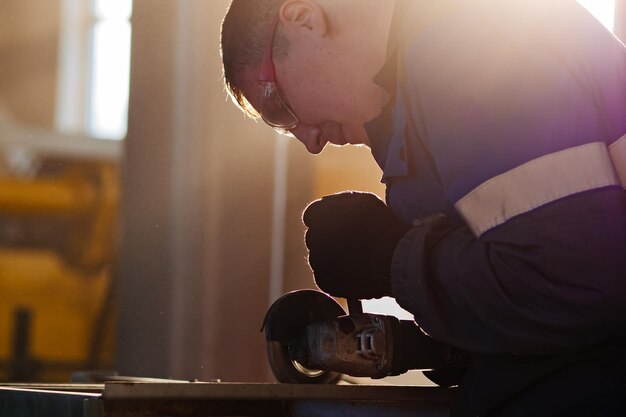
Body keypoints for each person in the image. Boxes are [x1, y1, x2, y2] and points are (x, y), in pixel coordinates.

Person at [220, 0, 626, 415]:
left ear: (304, 18)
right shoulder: (414, 95)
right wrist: (391, 343)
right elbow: (531, 316)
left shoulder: (468, 41)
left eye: (277, 106)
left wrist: (391, 259)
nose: (309, 140)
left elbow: (573, 282)